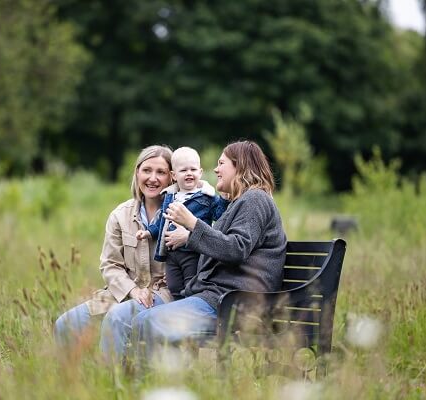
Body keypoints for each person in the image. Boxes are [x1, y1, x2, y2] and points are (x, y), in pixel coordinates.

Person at [101, 140, 287, 361]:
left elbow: (236, 248)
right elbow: (225, 245)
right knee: (143, 319)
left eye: (221, 163)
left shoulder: (255, 199)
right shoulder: (241, 202)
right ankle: (150, 384)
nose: (216, 169)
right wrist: (189, 239)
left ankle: (151, 386)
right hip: (219, 298)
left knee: (148, 321)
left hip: (232, 304)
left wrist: (192, 225)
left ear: (240, 166)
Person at [54, 145, 175, 349]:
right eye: (147, 170)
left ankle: (109, 378)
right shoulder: (120, 215)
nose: (152, 178)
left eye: (161, 172)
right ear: (137, 173)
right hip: (122, 293)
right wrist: (133, 290)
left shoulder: (179, 213)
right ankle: (71, 378)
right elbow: (110, 265)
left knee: (115, 319)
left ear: (171, 178)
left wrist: (149, 292)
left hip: (162, 295)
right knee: (65, 325)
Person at [136, 146, 229, 300]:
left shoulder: (207, 197)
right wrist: (148, 232)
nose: (189, 174)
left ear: (200, 172)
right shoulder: (170, 196)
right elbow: (162, 220)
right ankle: (179, 307)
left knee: (191, 285)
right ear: (173, 175)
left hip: (193, 253)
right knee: (173, 286)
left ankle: (187, 308)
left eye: (193, 170)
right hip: (171, 254)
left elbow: (219, 216)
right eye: (183, 170)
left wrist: (224, 200)